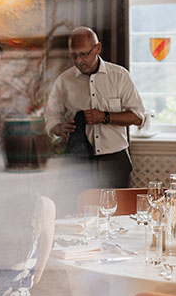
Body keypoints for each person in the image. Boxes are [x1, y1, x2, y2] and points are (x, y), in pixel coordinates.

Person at [44, 27, 145, 189]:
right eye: (73, 55)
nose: (78, 61)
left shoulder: (120, 76)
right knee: (79, 211)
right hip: (77, 164)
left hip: (115, 160)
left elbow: (138, 117)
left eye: (84, 54)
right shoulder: (63, 81)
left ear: (97, 48)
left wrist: (105, 117)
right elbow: (51, 118)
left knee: (119, 212)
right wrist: (58, 127)